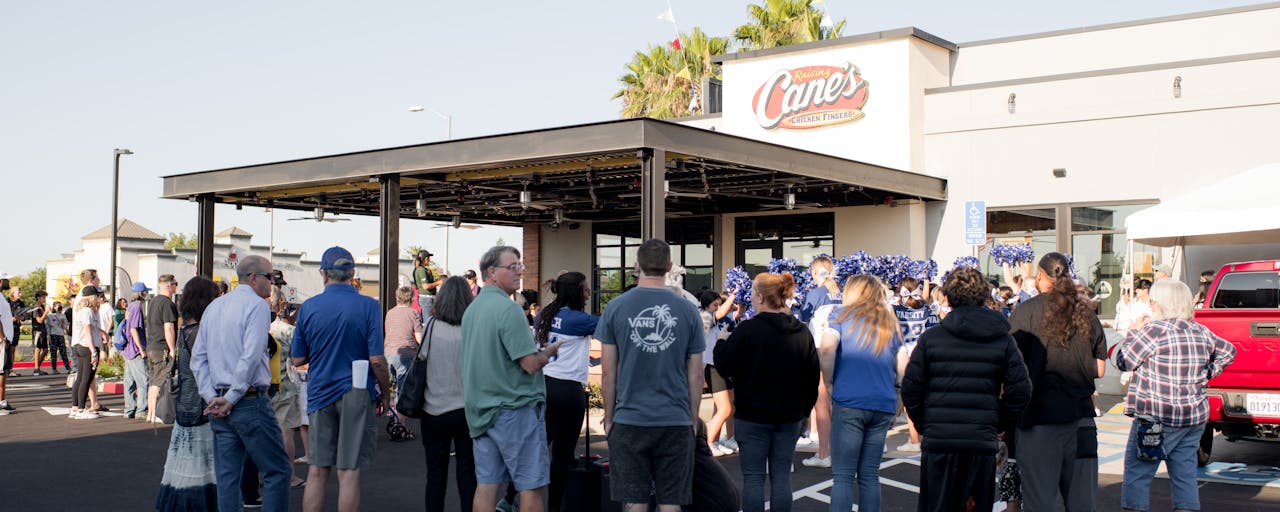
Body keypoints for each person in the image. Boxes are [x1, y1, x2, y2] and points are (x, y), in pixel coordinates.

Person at [900, 267, 1032, 512]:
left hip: (940, 440)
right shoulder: (1002, 339)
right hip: (979, 441)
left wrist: (924, 424)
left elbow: (910, 388)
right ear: (983, 298)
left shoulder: (932, 339)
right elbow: (1021, 390)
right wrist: (997, 421)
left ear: (947, 299)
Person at [595, 239, 704, 512]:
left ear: (637, 266)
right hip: (675, 420)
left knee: (635, 503)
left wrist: (609, 418)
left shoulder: (615, 308)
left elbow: (608, 372)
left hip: (629, 419)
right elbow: (696, 372)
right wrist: (692, 419)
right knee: (671, 504)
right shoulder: (688, 310)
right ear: (668, 267)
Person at [1115, 279, 1236, 512]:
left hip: (1156, 419)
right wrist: (1207, 373)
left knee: (1138, 474)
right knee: (1185, 477)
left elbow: (1124, 361)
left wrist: (1133, 331)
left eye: (1152, 301)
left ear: (1160, 304)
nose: (1150, 305)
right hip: (1193, 418)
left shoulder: (1154, 332)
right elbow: (1229, 352)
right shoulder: (1201, 331)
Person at [288, 247, 390, 512]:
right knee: (349, 470)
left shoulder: (309, 307)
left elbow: (297, 359)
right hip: (356, 392)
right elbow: (377, 359)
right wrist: (386, 391)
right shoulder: (369, 306)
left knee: (317, 470)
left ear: (323, 274)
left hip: (320, 393)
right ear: (352, 273)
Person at [462, 246, 562, 512]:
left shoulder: (473, 310)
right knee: (532, 485)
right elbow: (529, 364)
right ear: (492, 273)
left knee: (487, 484)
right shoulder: (510, 310)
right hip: (515, 409)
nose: (519, 271)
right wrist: (549, 353)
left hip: (482, 409)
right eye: (513, 266)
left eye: (520, 265)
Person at [1008, 252, 1107, 512]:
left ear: (1040, 276)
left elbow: (1011, 368)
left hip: (1039, 421)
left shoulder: (1025, 312)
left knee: (1039, 503)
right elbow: (1099, 368)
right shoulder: (1086, 313)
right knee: (1083, 504)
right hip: (1082, 419)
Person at [192, 256, 292, 512]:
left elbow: (198, 358)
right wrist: (232, 396)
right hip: (248, 401)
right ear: (254, 278)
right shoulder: (257, 306)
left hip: (219, 403)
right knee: (277, 470)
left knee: (227, 478)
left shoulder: (214, 307)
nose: (273, 283)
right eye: (270, 277)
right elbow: (250, 356)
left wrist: (211, 396)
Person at [713, 272, 819, 512]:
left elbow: (724, 365)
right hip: (789, 416)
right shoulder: (802, 332)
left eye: (751, 293)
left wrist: (721, 342)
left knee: (753, 478)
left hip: (752, 416)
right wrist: (804, 412)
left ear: (760, 297)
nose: (750, 297)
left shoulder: (748, 330)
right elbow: (811, 377)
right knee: (781, 478)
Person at [818, 274, 903, 512]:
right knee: (869, 475)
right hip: (882, 402)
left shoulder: (840, 316)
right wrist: (897, 392)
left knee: (843, 476)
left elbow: (826, 349)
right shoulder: (889, 322)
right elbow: (903, 364)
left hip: (850, 401)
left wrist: (829, 381)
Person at [532, 271, 599, 511]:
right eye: (585, 289)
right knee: (561, 453)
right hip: (568, 390)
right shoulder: (579, 320)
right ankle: (554, 507)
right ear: (575, 292)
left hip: (543, 386)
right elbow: (613, 328)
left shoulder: (543, 314)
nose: (589, 293)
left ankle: (508, 497)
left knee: (538, 448)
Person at [156, 276, 220, 511]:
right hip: (201, 408)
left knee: (183, 468)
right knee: (203, 470)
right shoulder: (201, 332)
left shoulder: (185, 330)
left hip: (186, 406)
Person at [418, 276, 476, 512]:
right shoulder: (473, 328)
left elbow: (421, 360)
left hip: (433, 410)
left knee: (435, 474)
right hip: (467, 412)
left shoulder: (430, 325)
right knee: (468, 473)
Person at [796, 256, 841, 467]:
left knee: (821, 402)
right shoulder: (840, 292)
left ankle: (824, 454)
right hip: (842, 350)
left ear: (815, 273)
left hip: (820, 350)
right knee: (836, 402)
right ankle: (837, 450)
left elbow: (801, 321)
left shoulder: (816, 293)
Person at [269, 302, 307, 489]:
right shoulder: (291, 332)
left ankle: (261, 473)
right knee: (286, 433)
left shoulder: (268, 327)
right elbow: (300, 357)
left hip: (266, 385)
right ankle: (289, 475)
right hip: (286, 385)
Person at [892, 276, 931, 453]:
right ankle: (920, 437)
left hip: (904, 356)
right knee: (923, 399)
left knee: (910, 400)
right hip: (922, 355)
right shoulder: (926, 310)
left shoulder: (894, 309)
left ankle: (915, 440)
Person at [698, 289, 738, 457]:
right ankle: (707, 443)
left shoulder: (720, 316)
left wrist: (740, 301)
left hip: (724, 365)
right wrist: (733, 295)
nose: (718, 307)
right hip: (713, 366)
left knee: (726, 405)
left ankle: (718, 440)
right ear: (707, 305)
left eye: (719, 304)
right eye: (715, 304)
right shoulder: (705, 316)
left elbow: (736, 314)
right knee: (725, 408)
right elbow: (721, 314)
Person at [147, 274, 180, 424]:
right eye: (175, 284)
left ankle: (151, 413)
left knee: (153, 381)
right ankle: (156, 414)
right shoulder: (167, 303)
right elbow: (169, 327)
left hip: (152, 345)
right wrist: (172, 349)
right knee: (161, 381)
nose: (176, 287)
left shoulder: (152, 301)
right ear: (169, 286)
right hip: (162, 347)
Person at [383, 285, 423, 402]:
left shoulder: (390, 313)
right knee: (403, 389)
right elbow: (419, 338)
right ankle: (400, 417)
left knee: (397, 385)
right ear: (411, 299)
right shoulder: (413, 313)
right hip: (406, 354)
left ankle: (395, 410)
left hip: (389, 354)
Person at [69, 286, 103, 419]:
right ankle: (81, 410)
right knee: (86, 379)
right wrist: (93, 351)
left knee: (80, 378)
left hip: (79, 345)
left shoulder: (82, 310)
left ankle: (75, 408)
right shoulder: (87, 311)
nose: (99, 299)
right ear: (92, 297)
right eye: (98, 296)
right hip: (87, 346)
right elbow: (88, 333)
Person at [122, 282, 151, 420]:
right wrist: (141, 348)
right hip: (135, 349)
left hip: (127, 349)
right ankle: (141, 410)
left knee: (129, 382)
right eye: (145, 292)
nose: (147, 294)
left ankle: (129, 409)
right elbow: (134, 329)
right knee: (143, 380)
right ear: (142, 293)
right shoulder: (138, 307)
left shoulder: (130, 307)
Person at [0, 272, 14, 414]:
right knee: (2, 371)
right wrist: (3, 338)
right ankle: (1, 401)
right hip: (2, 341)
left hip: (5, 339)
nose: (8, 281)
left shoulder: (2, 296)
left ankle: (3, 401)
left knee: (4, 371)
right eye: (6, 279)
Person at [413, 250, 443, 314]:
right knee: (428, 322)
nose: (429, 260)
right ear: (426, 259)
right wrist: (438, 283)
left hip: (428, 299)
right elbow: (425, 286)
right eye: (429, 258)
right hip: (426, 299)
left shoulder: (424, 269)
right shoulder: (421, 270)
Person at [46, 302, 72, 374]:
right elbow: (50, 325)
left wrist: (63, 323)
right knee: (53, 352)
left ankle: (68, 367)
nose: (59, 307)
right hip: (53, 334)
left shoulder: (63, 315)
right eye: (58, 306)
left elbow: (65, 325)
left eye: (60, 306)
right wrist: (48, 335)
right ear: (54, 307)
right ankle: (54, 369)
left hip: (60, 334)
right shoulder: (51, 315)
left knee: (63, 351)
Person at [7, 286, 26, 378]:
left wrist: (20, 317)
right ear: (13, 293)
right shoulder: (7, 301)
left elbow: (23, 317)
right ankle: (4, 368)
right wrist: (10, 318)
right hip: (6, 328)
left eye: (20, 292)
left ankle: (10, 369)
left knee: (13, 349)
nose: (20, 294)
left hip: (16, 328)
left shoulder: (21, 303)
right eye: (18, 292)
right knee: (5, 349)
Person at [31, 291, 49, 375]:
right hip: (37, 330)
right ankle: (36, 368)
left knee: (45, 350)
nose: (44, 299)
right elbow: (39, 320)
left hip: (43, 330)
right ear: (38, 297)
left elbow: (45, 318)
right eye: (43, 297)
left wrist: (44, 312)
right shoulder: (35, 307)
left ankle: (37, 367)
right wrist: (45, 312)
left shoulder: (41, 306)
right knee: (38, 348)